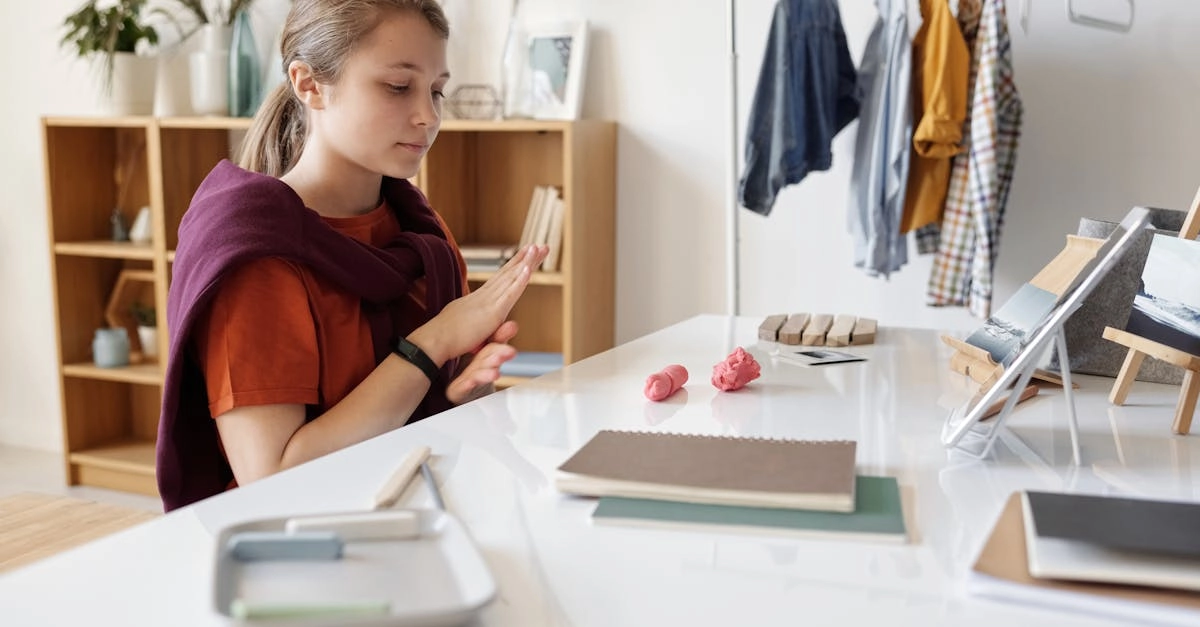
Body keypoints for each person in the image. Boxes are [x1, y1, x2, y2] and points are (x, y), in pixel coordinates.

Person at [155, 0, 548, 512]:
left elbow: (408, 418)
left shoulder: (417, 231)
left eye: (436, 91)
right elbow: (273, 478)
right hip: (299, 550)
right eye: (397, 86)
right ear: (309, 84)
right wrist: (432, 344)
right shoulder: (258, 258)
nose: (428, 116)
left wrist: (455, 400)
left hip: (411, 521)